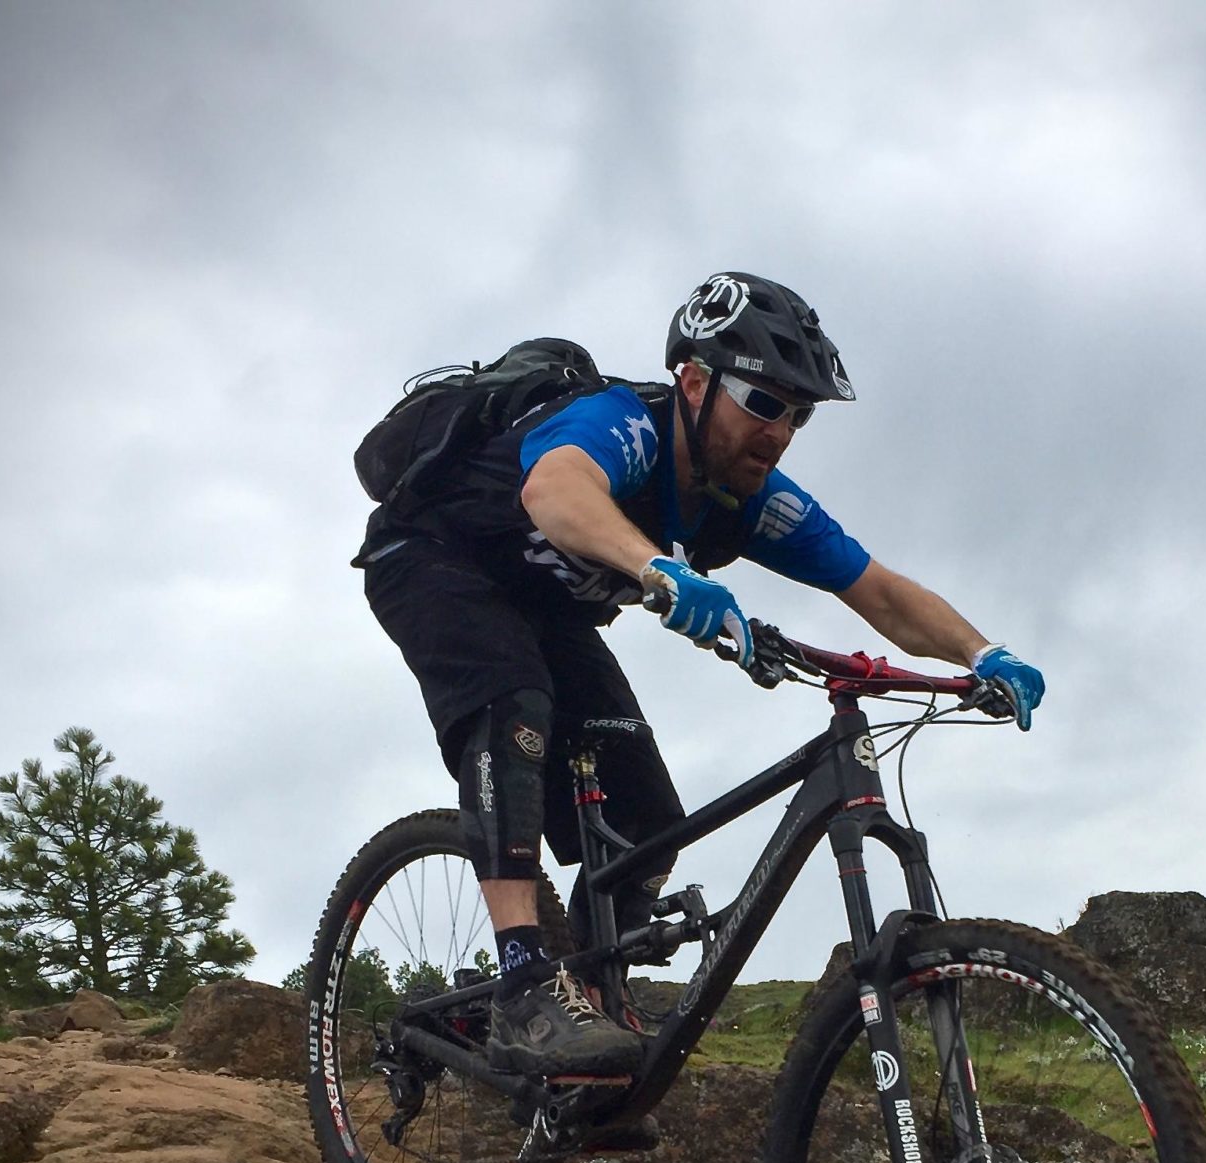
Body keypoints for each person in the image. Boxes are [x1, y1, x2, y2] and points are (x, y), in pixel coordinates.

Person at [354, 272, 1044, 1079]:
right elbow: (555, 487)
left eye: (799, 413)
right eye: (763, 401)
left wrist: (982, 653)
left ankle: (583, 1004)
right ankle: (522, 990)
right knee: (514, 704)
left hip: (547, 609)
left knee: (651, 824)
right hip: (435, 559)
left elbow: (878, 590)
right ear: (693, 380)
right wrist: (658, 570)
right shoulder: (624, 426)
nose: (780, 430)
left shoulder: (748, 501)